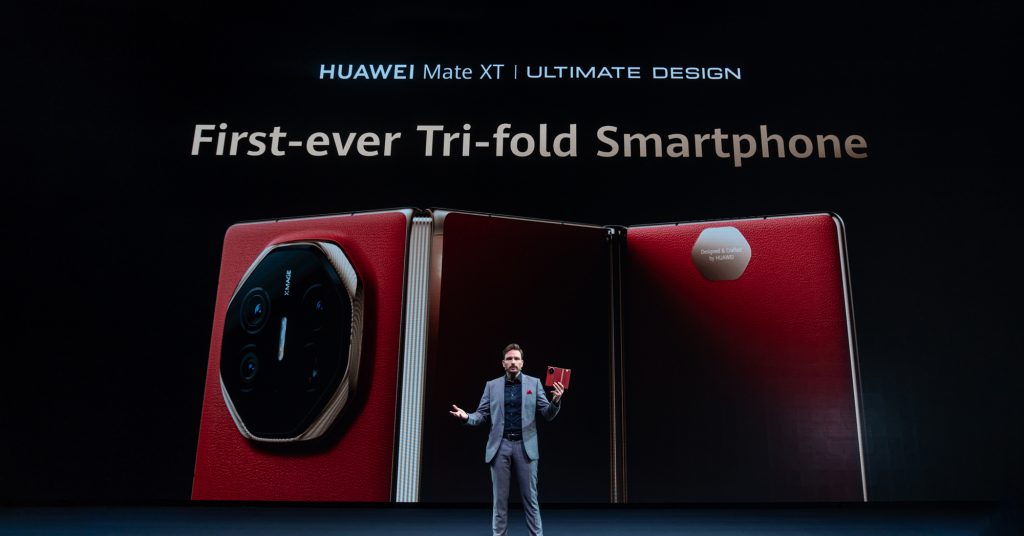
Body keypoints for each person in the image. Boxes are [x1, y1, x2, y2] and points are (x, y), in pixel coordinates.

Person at [450, 343, 565, 536]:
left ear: (522, 363)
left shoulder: (534, 383)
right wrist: (467, 417)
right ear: (503, 363)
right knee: (500, 502)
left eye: (516, 359)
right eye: (509, 359)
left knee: (531, 500)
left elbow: (547, 414)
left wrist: (555, 401)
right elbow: (481, 414)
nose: (513, 362)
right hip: (500, 446)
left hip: (525, 447)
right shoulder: (492, 386)